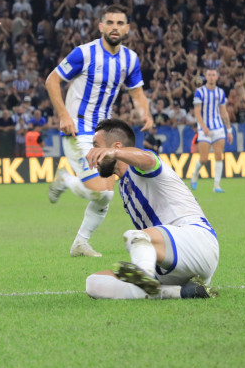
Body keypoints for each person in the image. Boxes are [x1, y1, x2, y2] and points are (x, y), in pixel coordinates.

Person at [46, 4, 153, 258]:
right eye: (110, 23)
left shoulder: (130, 59)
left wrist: (145, 113)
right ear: (101, 26)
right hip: (77, 129)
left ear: (126, 29)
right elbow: (52, 80)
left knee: (106, 195)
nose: (114, 27)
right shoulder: (83, 53)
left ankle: (80, 244)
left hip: (103, 135)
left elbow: (137, 92)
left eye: (119, 23)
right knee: (101, 191)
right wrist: (63, 116)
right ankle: (65, 179)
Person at [83, 118, 219, 300]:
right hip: (171, 262)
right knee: (93, 282)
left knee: (136, 236)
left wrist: (113, 153)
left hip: (197, 241)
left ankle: (144, 281)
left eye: (96, 146)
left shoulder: (140, 165)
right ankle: (178, 292)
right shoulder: (123, 185)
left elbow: (148, 159)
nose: (92, 152)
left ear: (116, 146)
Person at [189, 68, 233, 193]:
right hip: (204, 129)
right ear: (206, 77)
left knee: (219, 156)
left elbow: (224, 112)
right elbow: (197, 112)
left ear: (217, 77)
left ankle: (216, 186)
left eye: (214, 75)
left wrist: (229, 130)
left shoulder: (220, 92)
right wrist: (203, 127)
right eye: (209, 75)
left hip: (218, 127)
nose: (211, 77)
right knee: (204, 158)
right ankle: (195, 174)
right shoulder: (200, 92)